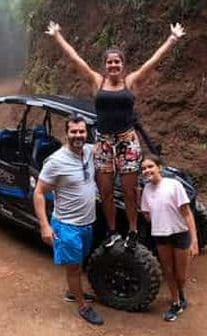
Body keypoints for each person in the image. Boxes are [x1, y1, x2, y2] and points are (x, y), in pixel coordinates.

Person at [45, 20, 186, 250]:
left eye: (117, 62)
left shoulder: (131, 82)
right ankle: (111, 231)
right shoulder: (97, 82)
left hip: (127, 141)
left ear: (122, 65)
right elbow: (75, 59)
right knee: (106, 191)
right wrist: (57, 36)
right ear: (105, 66)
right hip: (103, 143)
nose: (113, 65)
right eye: (109, 62)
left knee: (130, 191)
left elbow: (153, 62)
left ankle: (133, 230)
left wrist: (172, 39)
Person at [33, 116, 104, 326]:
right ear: (66, 133)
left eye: (81, 131)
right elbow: (38, 192)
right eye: (73, 132)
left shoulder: (89, 151)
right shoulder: (56, 162)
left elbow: (106, 146)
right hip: (67, 225)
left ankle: (73, 291)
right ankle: (81, 305)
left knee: (79, 262)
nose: (78, 135)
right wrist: (44, 226)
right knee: (73, 267)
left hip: (87, 223)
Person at [139, 154, 198, 322]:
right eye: (143, 168)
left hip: (180, 233)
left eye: (150, 166)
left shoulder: (174, 185)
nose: (147, 171)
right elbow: (146, 214)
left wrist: (194, 240)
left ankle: (181, 294)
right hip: (160, 234)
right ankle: (176, 302)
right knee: (168, 271)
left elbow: (187, 213)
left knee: (181, 274)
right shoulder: (146, 190)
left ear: (159, 168)